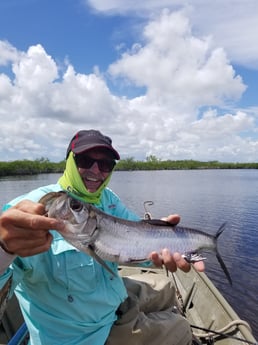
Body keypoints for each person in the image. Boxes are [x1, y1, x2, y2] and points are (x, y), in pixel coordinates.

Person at [0, 130, 204, 345]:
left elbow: (135, 243)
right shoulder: (24, 213)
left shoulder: (108, 199)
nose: (96, 171)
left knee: (166, 289)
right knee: (180, 327)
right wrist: (4, 249)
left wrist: (159, 235)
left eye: (106, 164)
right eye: (86, 160)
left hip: (109, 302)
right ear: (69, 160)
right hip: (85, 337)